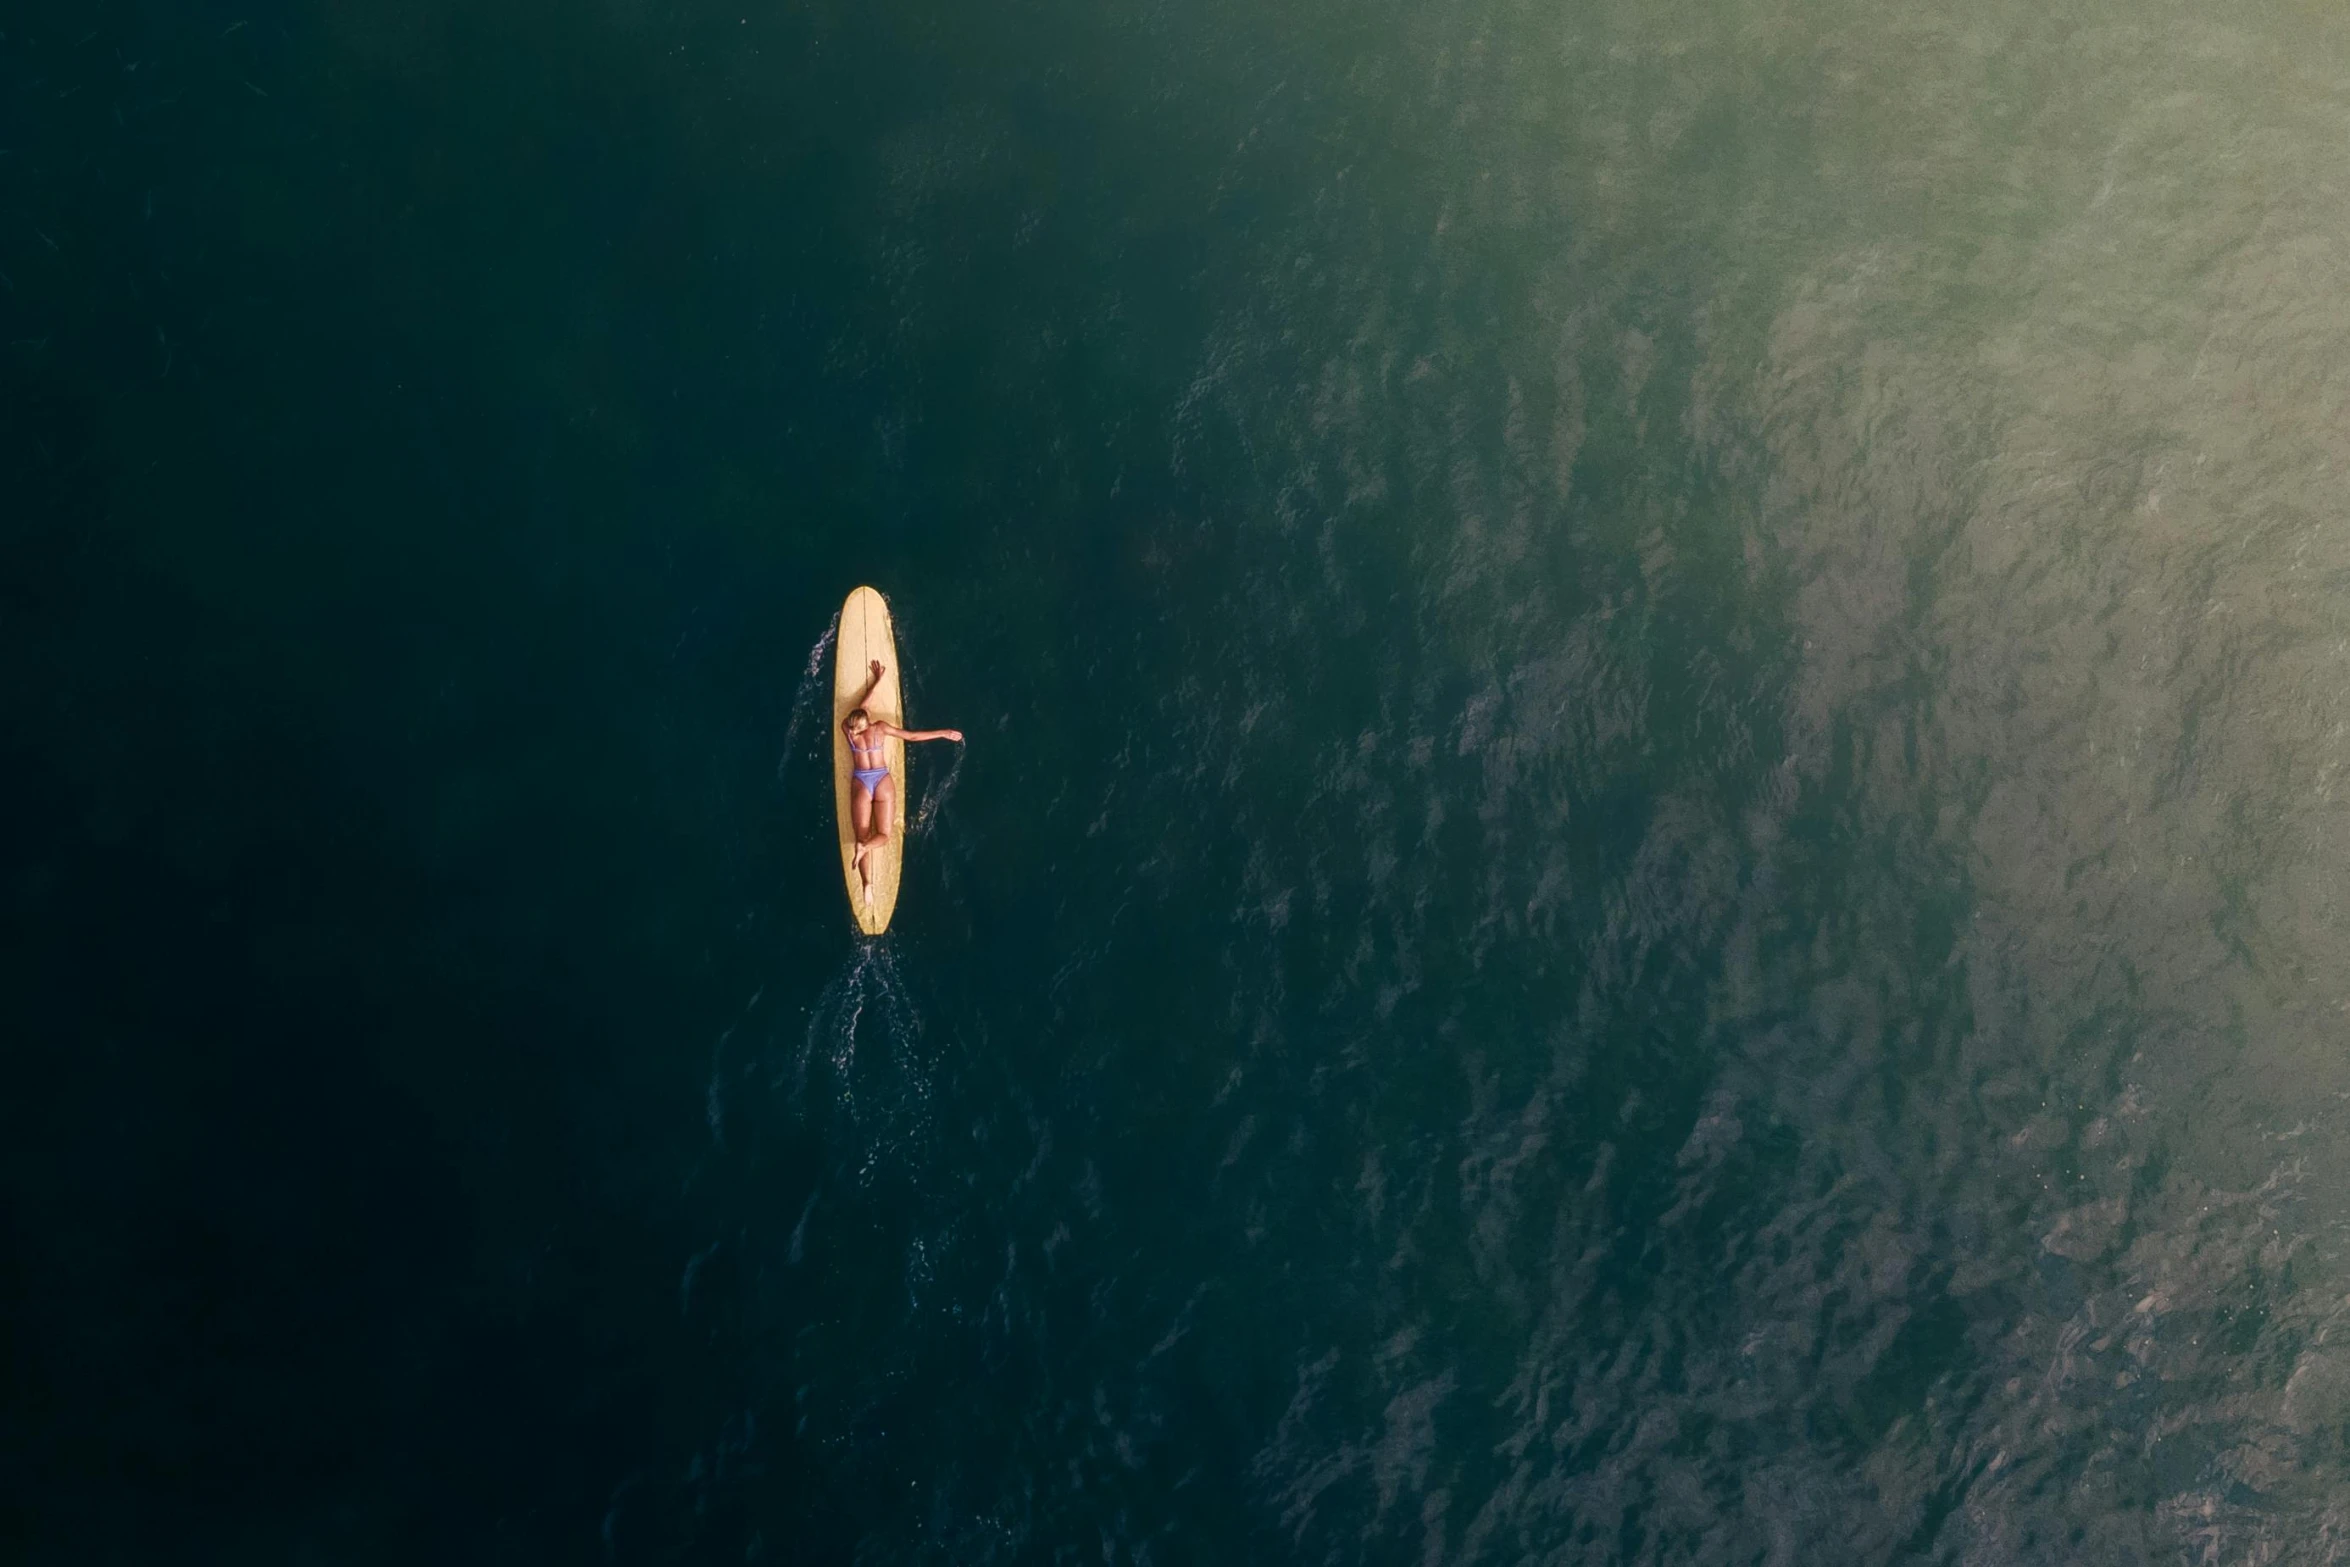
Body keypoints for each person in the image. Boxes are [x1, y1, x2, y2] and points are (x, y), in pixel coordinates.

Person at [844, 659, 962, 895]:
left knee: (862, 831)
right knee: (884, 836)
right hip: (882, 781)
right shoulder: (880, 728)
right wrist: (943, 733)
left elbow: (860, 710)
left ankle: (867, 883)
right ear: (868, 721)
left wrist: (873, 686)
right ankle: (864, 846)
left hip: (861, 782)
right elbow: (913, 737)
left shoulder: (847, 731)